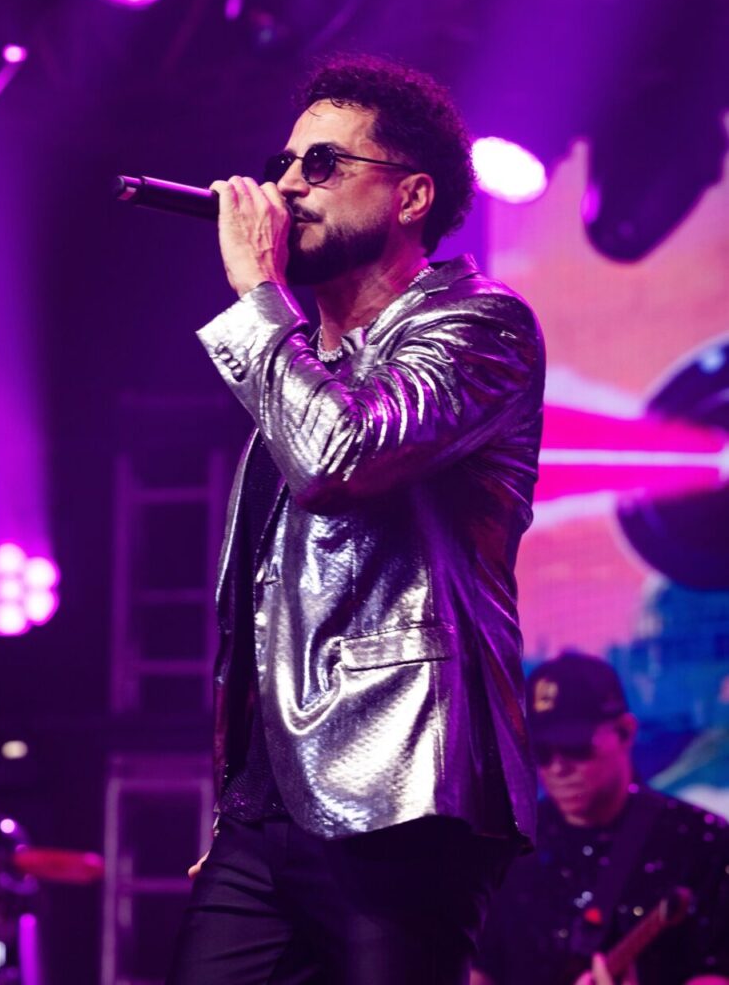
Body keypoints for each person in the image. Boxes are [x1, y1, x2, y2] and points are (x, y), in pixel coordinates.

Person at [166, 54, 546, 985]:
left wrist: (259, 297)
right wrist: (235, 801)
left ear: (411, 195)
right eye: (287, 164)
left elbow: (344, 458)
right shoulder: (301, 364)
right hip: (264, 815)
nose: (289, 187)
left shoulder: (481, 325)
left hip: (405, 788)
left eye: (324, 164)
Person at [471, 652, 729, 985]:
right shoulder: (512, 851)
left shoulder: (703, 844)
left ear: (625, 732)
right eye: (541, 752)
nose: (558, 767)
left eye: (575, 746)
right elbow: (480, 969)